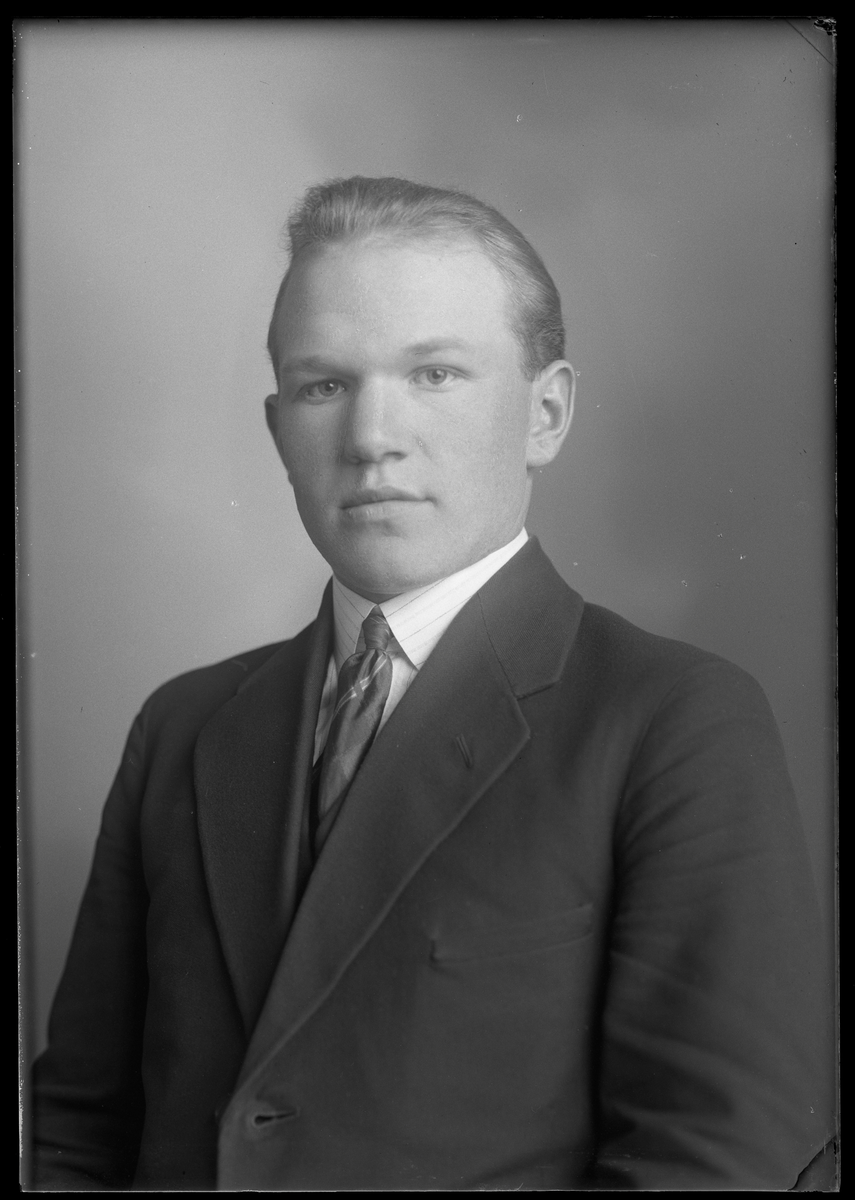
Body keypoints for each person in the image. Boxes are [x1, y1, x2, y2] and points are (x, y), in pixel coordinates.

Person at [30, 176, 831, 1190]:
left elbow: (721, 1157)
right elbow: (74, 1136)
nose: (372, 437)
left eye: (436, 374)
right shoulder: (182, 726)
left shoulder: (671, 720)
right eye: (324, 386)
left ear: (546, 413)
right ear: (278, 432)